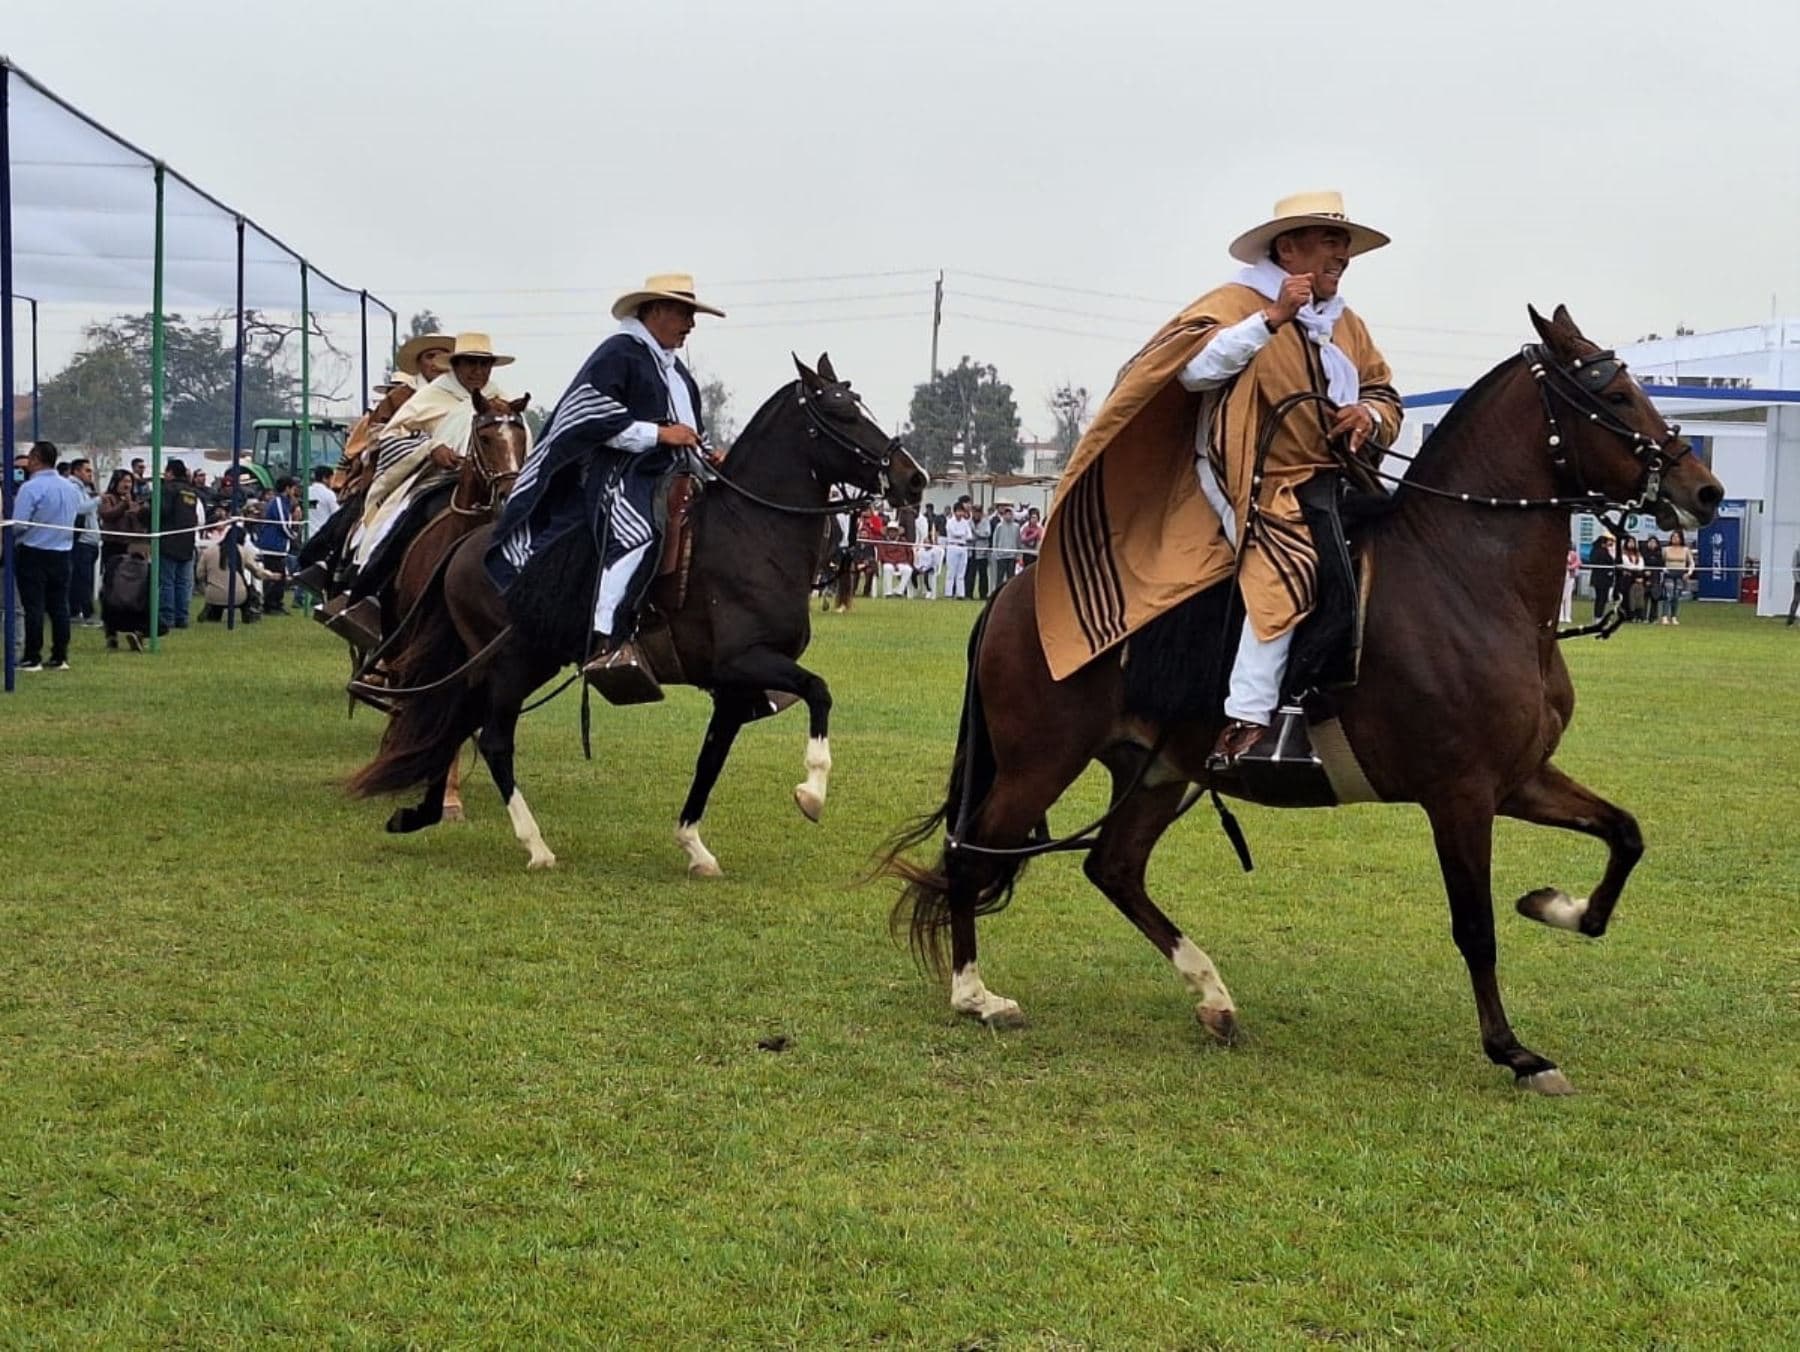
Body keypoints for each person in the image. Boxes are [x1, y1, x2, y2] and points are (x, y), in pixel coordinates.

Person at [1036, 190, 1402, 767]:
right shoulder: (1234, 304)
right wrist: (1272, 319)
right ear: (1288, 246)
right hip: (1249, 481)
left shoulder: (1347, 325)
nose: (1343, 254)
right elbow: (1191, 372)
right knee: (1290, 564)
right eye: (1331, 241)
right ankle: (1250, 718)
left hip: (1334, 480)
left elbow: (1383, 390)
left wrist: (1370, 416)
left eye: (1345, 244)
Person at [490, 274, 724, 698]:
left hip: (674, 475)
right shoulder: (620, 352)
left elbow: (688, 430)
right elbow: (587, 414)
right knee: (639, 533)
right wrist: (658, 435)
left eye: (692, 315)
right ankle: (607, 638)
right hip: (619, 475)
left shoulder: (676, 370)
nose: (691, 324)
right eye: (683, 313)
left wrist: (708, 453)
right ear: (654, 311)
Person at [9, 441, 85, 671]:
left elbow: (18, 524)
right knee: (59, 607)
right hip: (62, 553)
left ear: (36, 458)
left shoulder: (30, 488)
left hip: (34, 552)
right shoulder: (71, 488)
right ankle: (60, 656)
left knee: (34, 607)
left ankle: (33, 657)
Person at [98, 469, 151, 649]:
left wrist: (138, 510)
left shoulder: (136, 501)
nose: (127, 484)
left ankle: (135, 631)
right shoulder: (107, 499)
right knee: (112, 591)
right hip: (113, 548)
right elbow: (107, 515)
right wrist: (124, 506)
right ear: (115, 482)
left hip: (132, 548)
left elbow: (142, 525)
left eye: (129, 481)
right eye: (123, 481)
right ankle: (111, 632)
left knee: (134, 591)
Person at [156, 459, 202, 633]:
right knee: (183, 583)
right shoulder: (191, 492)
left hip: (169, 540)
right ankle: (182, 617)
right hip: (187, 541)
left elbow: (162, 512)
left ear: (170, 473)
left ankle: (167, 618)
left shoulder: (167, 489)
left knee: (167, 582)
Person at [66, 458, 102, 626]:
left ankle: (76, 611)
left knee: (82, 579)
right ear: (76, 471)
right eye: (87, 470)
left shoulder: (84, 489)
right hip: (82, 541)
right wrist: (97, 500)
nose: (90, 474)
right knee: (83, 579)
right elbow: (79, 509)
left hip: (91, 541)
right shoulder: (73, 488)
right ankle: (87, 614)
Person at [257, 476, 300, 613]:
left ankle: (276, 603)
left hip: (279, 546)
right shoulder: (278, 502)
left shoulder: (285, 503)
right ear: (287, 488)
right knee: (275, 577)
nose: (295, 491)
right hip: (272, 546)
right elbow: (282, 524)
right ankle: (271, 605)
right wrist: (293, 535)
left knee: (280, 577)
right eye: (293, 488)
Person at [1660, 528, 1694, 625]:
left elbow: (1691, 563)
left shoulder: (1686, 550)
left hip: (1680, 574)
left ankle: (1674, 617)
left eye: (1677, 537)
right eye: (1673, 537)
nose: (1675, 539)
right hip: (1669, 573)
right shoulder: (1665, 549)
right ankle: (1664, 616)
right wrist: (1664, 570)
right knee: (1668, 595)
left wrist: (1689, 573)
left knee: (1676, 596)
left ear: (1681, 538)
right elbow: (1661, 562)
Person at [942, 501, 972, 598]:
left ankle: (960, 594)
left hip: (963, 547)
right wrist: (962, 534)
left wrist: (963, 535)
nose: (960, 514)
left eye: (962, 511)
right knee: (951, 572)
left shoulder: (965, 523)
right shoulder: (950, 522)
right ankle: (948, 593)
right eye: (958, 511)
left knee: (961, 572)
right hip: (952, 546)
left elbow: (969, 535)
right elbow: (954, 533)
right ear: (954, 512)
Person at [990, 503, 1023, 589]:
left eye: (1010, 514)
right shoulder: (999, 526)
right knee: (999, 577)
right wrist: (996, 552)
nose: (1008, 516)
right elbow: (995, 540)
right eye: (1006, 514)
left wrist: (1018, 554)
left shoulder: (1016, 527)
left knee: (1011, 576)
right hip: (1001, 556)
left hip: (1012, 556)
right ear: (1003, 515)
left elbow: (1018, 540)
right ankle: (997, 592)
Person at [878, 525, 914, 597]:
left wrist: (908, 562)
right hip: (889, 562)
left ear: (897, 532)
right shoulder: (883, 541)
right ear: (887, 532)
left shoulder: (903, 541)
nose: (892, 533)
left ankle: (899, 591)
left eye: (894, 531)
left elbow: (910, 552)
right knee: (887, 568)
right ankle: (888, 593)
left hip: (902, 562)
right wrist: (893, 563)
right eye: (890, 531)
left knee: (908, 570)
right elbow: (882, 555)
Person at [1588, 534, 1616, 619]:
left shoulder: (1595, 550)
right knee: (1601, 598)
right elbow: (1608, 561)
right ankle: (1598, 615)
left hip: (1601, 578)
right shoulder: (1601, 551)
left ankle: (1598, 615)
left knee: (1600, 598)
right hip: (1602, 578)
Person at [1618, 537, 1645, 621]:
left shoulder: (1638, 554)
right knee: (1626, 597)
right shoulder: (1623, 553)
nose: (1631, 544)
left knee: (1636, 598)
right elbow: (1627, 565)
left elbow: (1641, 565)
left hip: (1636, 577)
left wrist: (1635, 569)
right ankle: (1625, 616)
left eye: (1633, 542)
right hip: (1626, 579)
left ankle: (1636, 616)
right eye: (1629, 542)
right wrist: (1634, 568)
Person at [969, 503, 992, 599]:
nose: (976, 514)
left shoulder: (985, 522)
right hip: (972, 551)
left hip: (982, 552)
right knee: (971, 574)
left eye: (978, 512)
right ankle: (968, 593)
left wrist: (976, 533)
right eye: (975, 512)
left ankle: (983, 594)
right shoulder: (969, 522)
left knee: (983, 574)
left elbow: (987, 533)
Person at [913, 528, 943, 600]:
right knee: (913, 573)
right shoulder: (921, 550)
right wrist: (919, 567)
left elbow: (934, 562)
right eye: (925, 542)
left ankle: (929, 590)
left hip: (930, 567)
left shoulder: (934, 551)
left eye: (927, 542)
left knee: (926, 575)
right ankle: (916, 587)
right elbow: (918, 560)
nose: (926, 544)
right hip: (921, 567)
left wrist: (925, 568)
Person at [1561, 545, 1579, 624]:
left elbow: (1578, 562)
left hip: (1570, 577)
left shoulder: (1573, 554)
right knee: (1561, 597)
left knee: (1568, 597)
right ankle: (1560, 616)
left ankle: (1567, 616)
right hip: (1561, 577)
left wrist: (1570, 567)